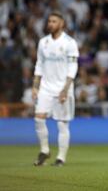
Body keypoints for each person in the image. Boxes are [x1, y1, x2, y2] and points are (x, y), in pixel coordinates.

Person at [32, 11, 79, 166]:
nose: (50, 24)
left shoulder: (69, 43)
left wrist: (65, 89)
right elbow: (39, 64)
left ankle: (61, 157)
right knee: (38, 118)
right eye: (49, 21)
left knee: (62, 123)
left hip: (62, 88)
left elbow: (73, 68)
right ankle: (44, 150)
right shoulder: (43, 42)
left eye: (54, 21)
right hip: (45, 87)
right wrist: (35, 86)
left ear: (62, 23)